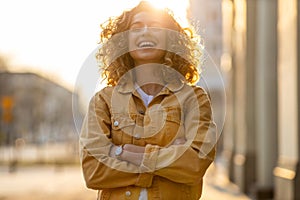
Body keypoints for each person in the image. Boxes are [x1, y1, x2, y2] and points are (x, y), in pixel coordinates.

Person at [80, 1, 217, 199]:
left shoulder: (194, 99)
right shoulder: (103, 101)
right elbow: (94, 171)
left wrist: (122, 152)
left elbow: (195, 163)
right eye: (136, 28)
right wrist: (170, 155)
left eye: (155, 26)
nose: (145, 32)